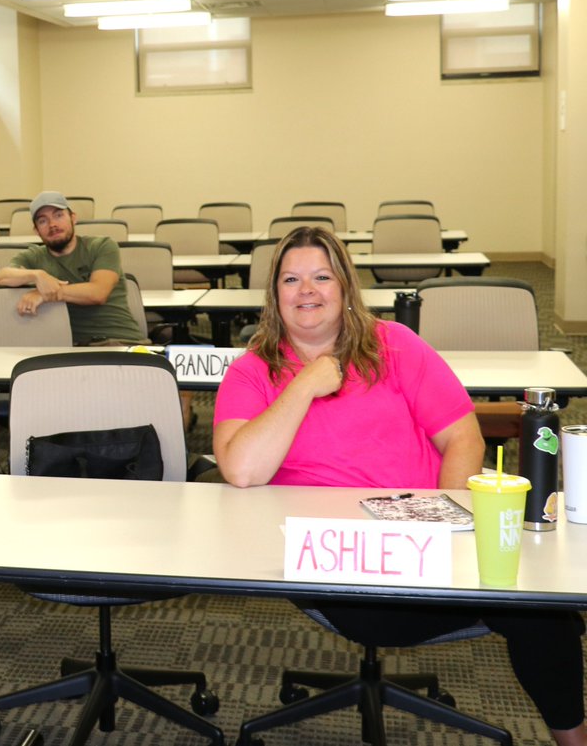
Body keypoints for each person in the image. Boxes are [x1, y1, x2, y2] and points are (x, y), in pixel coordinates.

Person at [213, 225, 586, 745]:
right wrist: (306, 383)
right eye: (291, 280)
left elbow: (463, 437)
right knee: (522, 610)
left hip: (429, 538)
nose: (307, 291)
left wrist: (444, 522)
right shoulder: (252, 371)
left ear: (345, 286)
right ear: (274, 295)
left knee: (541, 608)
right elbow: (241, 469)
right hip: (337, 560)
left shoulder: (393, 345)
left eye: (322, 277)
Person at [0, 190, 145, 346]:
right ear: (36, 230)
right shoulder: (33, 257)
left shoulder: (101, 246)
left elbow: (98, 293)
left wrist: (45, 294)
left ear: (73, 218)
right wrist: (37, 275)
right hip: (69, 346)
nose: (52, 224)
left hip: (119, 340)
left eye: (58, 215)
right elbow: (0, 277)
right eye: (43, 221)